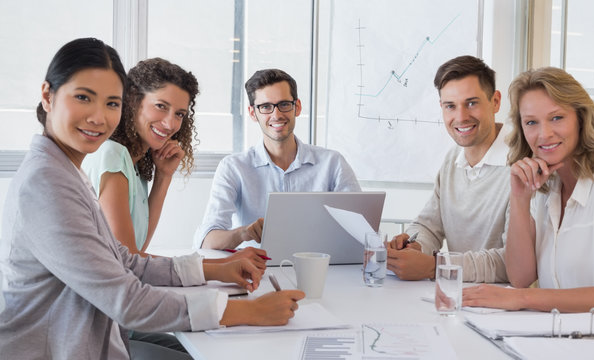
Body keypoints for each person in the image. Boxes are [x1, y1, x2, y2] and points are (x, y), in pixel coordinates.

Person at [0, 38, 304, 360]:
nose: (98, 117)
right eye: (83, 98)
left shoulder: (66, 173)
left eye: (111, 103)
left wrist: (214, 271)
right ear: (48, 96)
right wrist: (248, 312)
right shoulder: (46, 184)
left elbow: (127, 261)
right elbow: (126, 300)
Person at [462, 67, 594, 317]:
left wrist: (523, 298)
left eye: (557, 118)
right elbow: (521, 276)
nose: (544, 134)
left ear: (580, 118)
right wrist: (519, 198)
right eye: (531, 122)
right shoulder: (545, 190)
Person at [82, 58, 266, 265]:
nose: (170, 123)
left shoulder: (134, 166)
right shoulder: (112, 154)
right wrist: (221, 265)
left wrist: (164, 176)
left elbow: (139, 247)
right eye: (161, 106)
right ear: (134, 101)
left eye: (179, 114)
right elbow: (128, 259)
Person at [194, 68, 361, 250]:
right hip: (256, 272)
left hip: (319, 269)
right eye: (265, 107)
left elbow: (361, 232)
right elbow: (205, 242)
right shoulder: (233, 167)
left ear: (297, 107)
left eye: (284, 104)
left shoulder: (332, 163)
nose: (276, 115)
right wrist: (243, 233)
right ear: (252, 113)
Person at [386, 55, 510, 283]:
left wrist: (437, 267)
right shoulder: (453, 158)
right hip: (459, 298)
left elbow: (515, 264)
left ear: (495, 102)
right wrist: (415, 246)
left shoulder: (523, 164)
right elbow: (429, 226)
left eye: (471, 103)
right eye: (450, 106)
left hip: (509, 308)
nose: (461, 117)